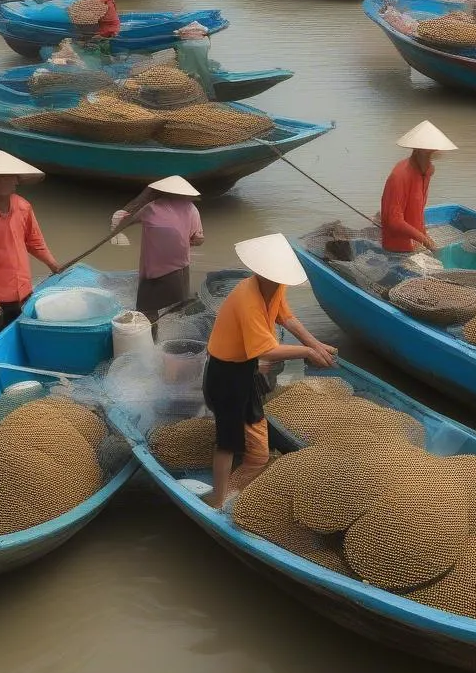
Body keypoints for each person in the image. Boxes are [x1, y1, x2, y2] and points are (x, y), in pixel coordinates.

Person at [203, 234, 337, 509]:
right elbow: (265, 350)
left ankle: (235, 488)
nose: (280, 282)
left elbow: (285, 316)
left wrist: (314, 342)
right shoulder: (247, 298)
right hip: (225, 376)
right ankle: (217, 501)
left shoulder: (274, 286)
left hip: (245, 372)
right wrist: (308, 353)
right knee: (227, 441)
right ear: (261, 271)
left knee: (259, 452)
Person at [0, 151, 60, 343]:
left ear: (17, 181)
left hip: (24, 290)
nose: (3, 181)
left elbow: (35, 241)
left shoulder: (24, 207)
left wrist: (53, 265)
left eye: (8, 176)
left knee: (23, 339)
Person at [110, 176, 204, 332]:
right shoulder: (191, 209)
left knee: (147, 310)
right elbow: (199, 239)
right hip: (179, 268)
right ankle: (167, 332)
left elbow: (123, 220)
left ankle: (152, 338)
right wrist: (195, 239)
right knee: (175, 305)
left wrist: (137, 202)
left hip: (153, 270)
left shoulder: (151, 208)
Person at [380, 120, 458, 252]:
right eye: (428, 155)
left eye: (433, 155)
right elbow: (394, 221)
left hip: (416, 242)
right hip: (398, 246)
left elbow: (418, 209)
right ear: (417, 152)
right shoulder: (399, 176)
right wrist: (424, 240)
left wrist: (424, 236)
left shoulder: (426, 172)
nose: (431, 161)